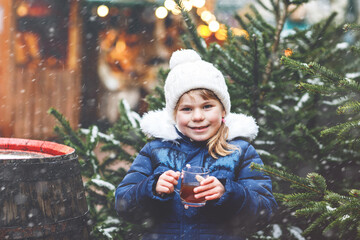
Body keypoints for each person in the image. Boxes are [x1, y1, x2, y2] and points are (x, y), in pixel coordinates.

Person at [115, 49, 277, 239]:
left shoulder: (240, 151)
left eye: (207, 106)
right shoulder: (155, 150)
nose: (198, 117)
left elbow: (264, 212)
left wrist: (228, 193)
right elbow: (123, 205)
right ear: (174, 115)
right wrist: (151, 188)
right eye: (187, 109)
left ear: (223, 110)